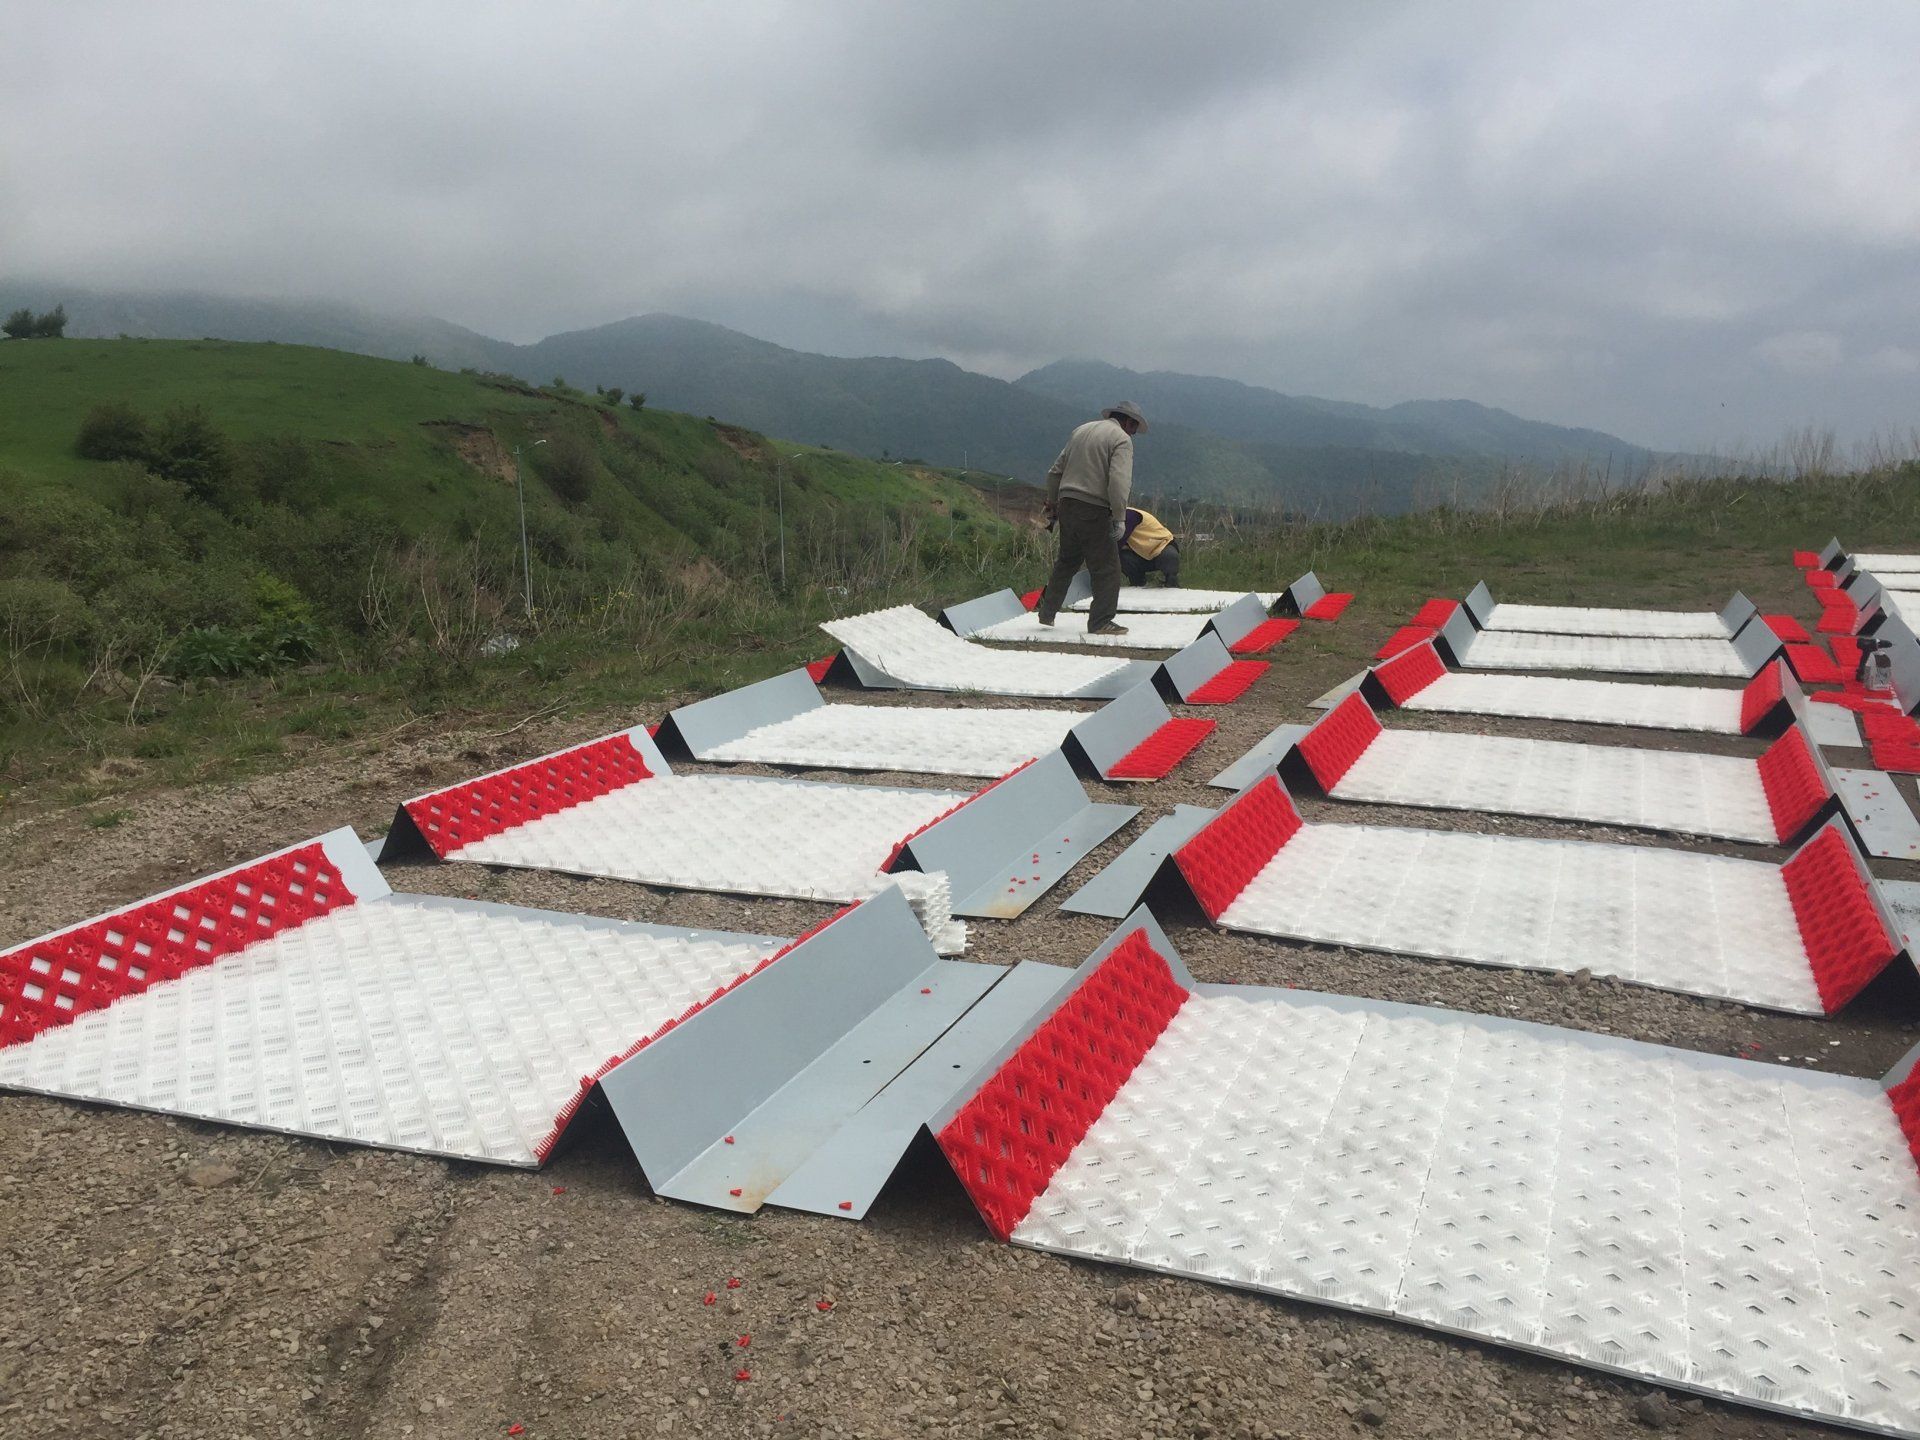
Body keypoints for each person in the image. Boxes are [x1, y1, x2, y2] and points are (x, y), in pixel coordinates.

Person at [1036, 402, 1147, 635]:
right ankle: (1100, 622)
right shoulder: (1121, 439)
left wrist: (1053, 504)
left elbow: (1054, 472)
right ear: (1128, 422)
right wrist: (1119, 516)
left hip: (1067, 504)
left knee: (1067, 561)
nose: (1133, 434)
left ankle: (1047, 612)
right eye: (1134, 428)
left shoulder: (1081, 430)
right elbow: (1118, 481)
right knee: (1107, 568)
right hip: (1094, 508)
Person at [1120, 506, 1179, 587]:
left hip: (1161, 547)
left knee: (1169, 555)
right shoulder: (1117, 519)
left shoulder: (1130, 515)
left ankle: (1171, 583)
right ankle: (1137, 584)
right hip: (1140, 554)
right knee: (1123, 557)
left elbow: (1118, 542)